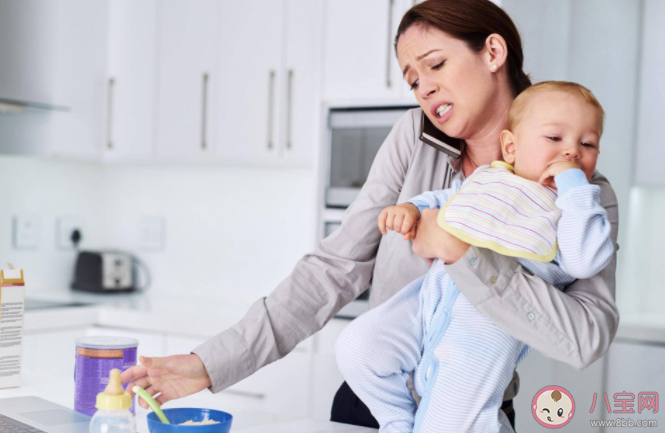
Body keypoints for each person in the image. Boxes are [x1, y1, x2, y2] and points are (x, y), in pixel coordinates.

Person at [120, 0, 620, 429]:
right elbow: (334, 269)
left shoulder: (582, 196)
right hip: (372, 406)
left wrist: (465, 256)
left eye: (436, 65)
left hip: (473, 411)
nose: (423, 88)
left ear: (492, 52)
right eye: (413, 79)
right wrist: (210, 364)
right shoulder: (413, 137)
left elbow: (585, 337)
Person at [335, 81, 614, 433]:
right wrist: (410, 208)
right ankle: (395, 422)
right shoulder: (490, 178)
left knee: (454, 419)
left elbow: (586, 260)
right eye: (555, 139)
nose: (571, 153)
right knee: (357, 347)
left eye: (587, 145)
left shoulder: (577, 207)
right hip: (430, 298)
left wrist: (576, 190)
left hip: (490, 320)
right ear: (511, 147)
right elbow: (444, 201)